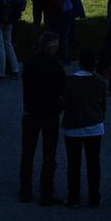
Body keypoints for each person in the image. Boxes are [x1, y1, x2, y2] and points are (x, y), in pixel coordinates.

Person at [61, 44, 108, 207]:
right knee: (93, 163)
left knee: (74, 164)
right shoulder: (100, 82)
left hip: (73, 127)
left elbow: (65, 104)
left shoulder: (70, 81)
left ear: (80, 61)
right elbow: (103, 106)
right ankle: (94, 196)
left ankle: (73, 196)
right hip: (94, 126)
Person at [20, 33, 65, 203]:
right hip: (49, 114)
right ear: (52, 48)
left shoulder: (29, 63)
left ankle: (25, 191)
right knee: (49, 154)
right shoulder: (56, 67)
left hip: (31, 112)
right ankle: (46, 193)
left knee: (27, 154)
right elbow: (63, 92)